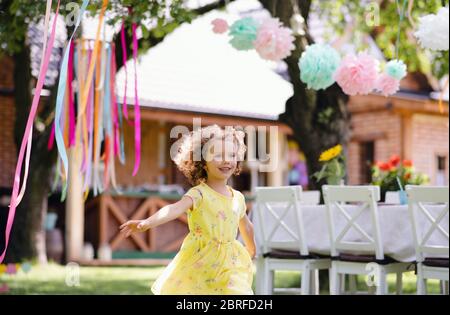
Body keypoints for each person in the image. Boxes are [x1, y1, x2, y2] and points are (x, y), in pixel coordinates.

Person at [120, 125, 256, 295]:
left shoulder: (238, 197)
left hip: (230, 262)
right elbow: (173, 209)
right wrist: (147, 222)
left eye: (231, 155)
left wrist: (251, 249)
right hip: (201, 261)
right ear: (203, 162)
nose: (226, 160)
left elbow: (246, 226)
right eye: (218, 155)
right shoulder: (199, 194)